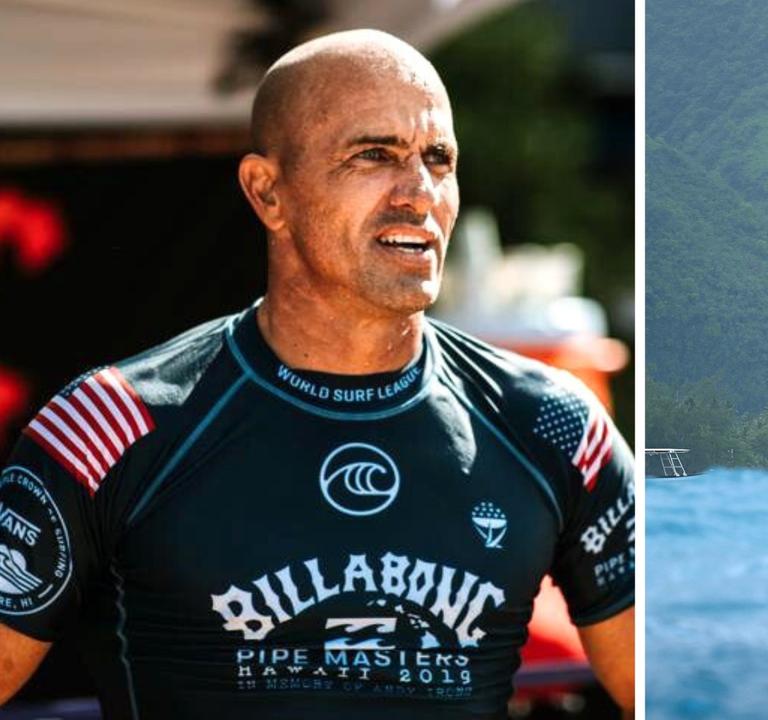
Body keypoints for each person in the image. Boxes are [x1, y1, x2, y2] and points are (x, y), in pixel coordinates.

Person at [0, 30, 634, 719]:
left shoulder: (552, 424)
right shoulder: (110, 426)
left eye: (438, 158)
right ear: (267, 192)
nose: (419, 193)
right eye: (374, 155)